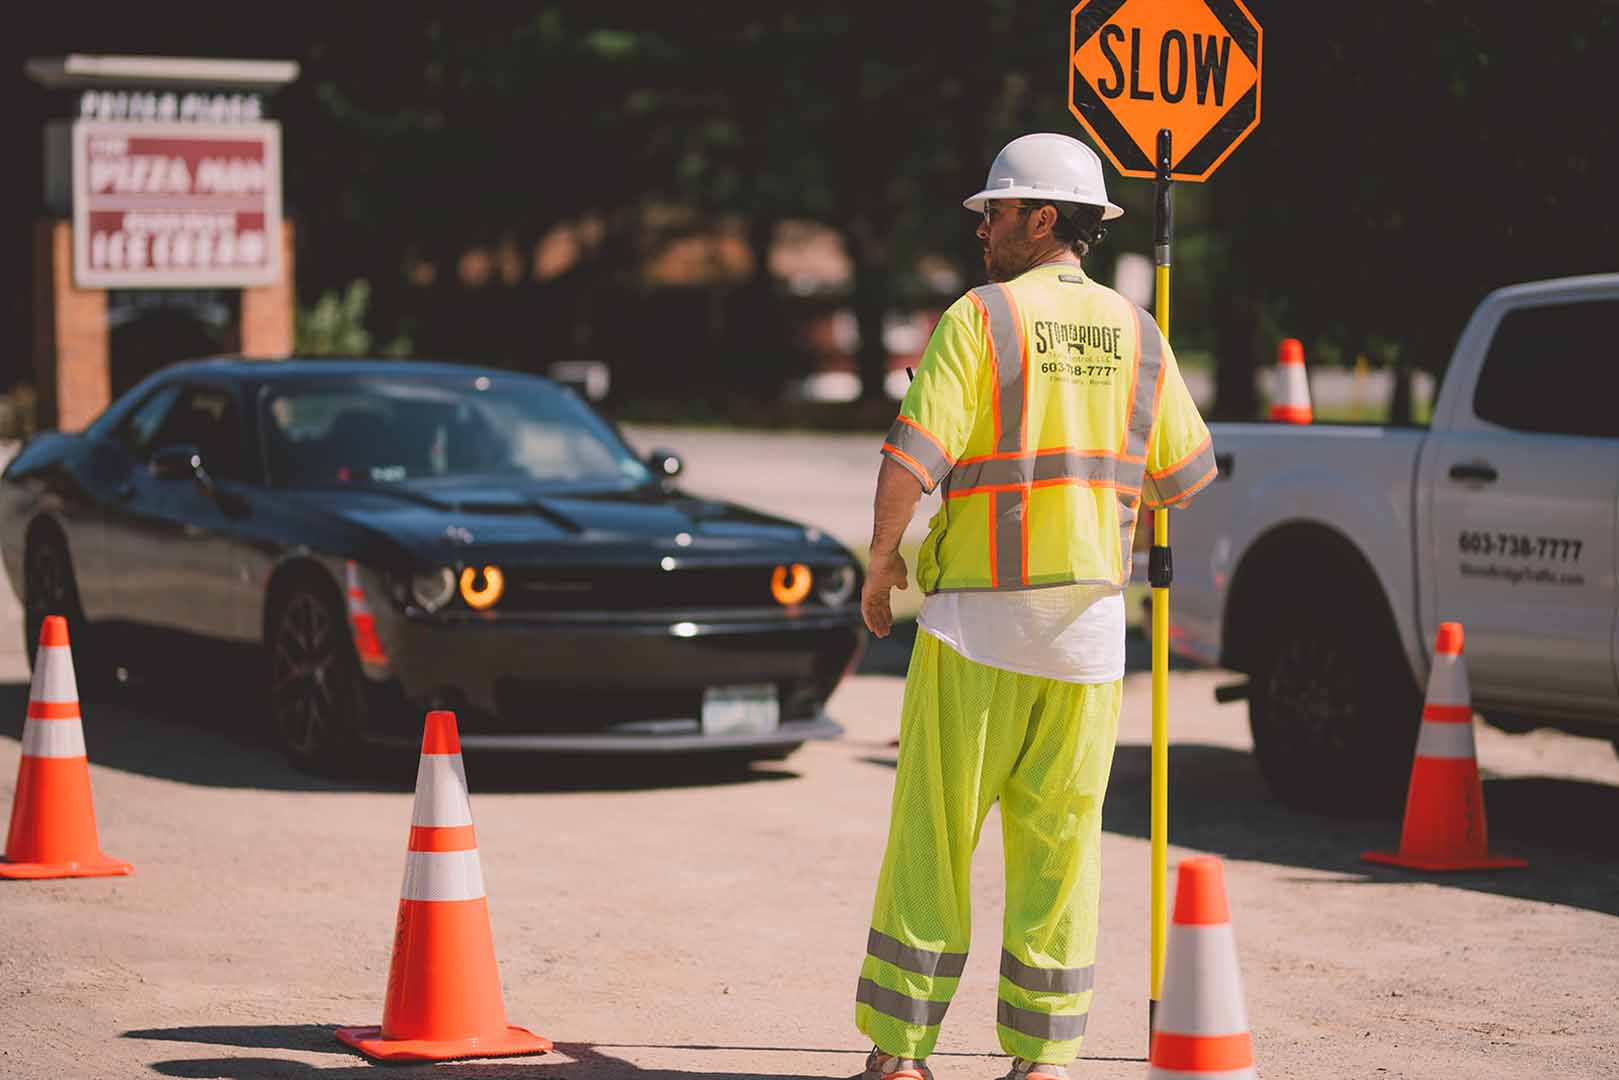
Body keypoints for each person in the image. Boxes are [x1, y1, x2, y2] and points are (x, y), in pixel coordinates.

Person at [852, 133, 1216, 1080]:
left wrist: (881, 563)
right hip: (1092, 632)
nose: (981, 229)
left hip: (978, 621)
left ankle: (900, 1058)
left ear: (1042, 219)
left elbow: (909, 459)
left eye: (995, 212)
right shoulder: (1139, 330)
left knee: (934, 834)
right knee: (1061, 848)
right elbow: (1184, 475)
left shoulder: (981, 319)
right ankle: (1044, 1061)